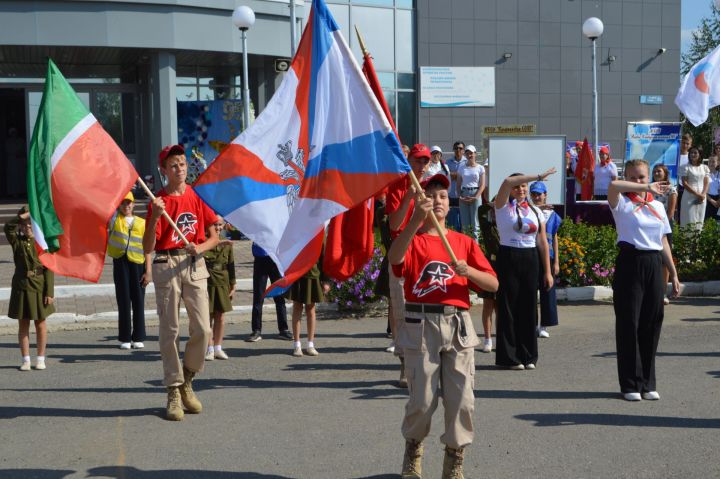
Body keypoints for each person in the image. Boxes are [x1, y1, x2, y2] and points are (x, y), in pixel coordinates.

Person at [388, 173, 498, 479]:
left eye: (442, 196)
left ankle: (454, 459)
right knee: (422, 400)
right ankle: (413, 449)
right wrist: (413, 222)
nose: (437, 200)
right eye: (431, 195)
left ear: (449, 206)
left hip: (458, 324)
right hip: (420, 324)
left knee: (462, 399)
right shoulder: (414, 240)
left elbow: (493, 282)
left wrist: (470, 271)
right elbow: (395, 259)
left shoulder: (463, 243)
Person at [143, 144, 218, 421]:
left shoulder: (197, 197)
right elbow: (147, 246)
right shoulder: (159, 200)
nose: (180, 169)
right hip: (166, 263)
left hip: (193, 263)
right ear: (164, 170)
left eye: (183, 164)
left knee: (202, 328)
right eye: (174, 165)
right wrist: (154, 217)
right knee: (169, 330)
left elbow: (213, 237)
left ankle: (188, 378)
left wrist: (201, 248)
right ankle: (173, 389)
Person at [608, 159, 680, 401]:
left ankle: (648, 382)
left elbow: (662, 241)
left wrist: (674, 273)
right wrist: (645, 188)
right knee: (630, 322)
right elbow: (614, 185)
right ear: (628, 177)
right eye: (635, 177)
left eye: (643, 177)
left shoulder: (658, 207)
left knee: (652, 322)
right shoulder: (622, 203)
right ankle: (630, 383)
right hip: (631, 262)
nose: (639, 181)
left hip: (653, 264)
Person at [494, 169, 555, 370]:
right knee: (508, 307)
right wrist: (537, 176)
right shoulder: (502, 205)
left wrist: (547, 271)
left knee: (529, 307)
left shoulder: (535, 211)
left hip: (530, 258)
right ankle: (509, 357)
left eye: (523, 186)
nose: (521, 189)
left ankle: (528, 355)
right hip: (509, 256)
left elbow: (543, 242)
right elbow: (506, 180)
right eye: (517, 186)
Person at [385, 144, 431, 387]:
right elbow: (394, 224)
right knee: (402, 312)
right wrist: (410, 197)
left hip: (426, 254)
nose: (421, 166)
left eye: (425, 161)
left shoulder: (433, 187)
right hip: (403, 255)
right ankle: (404, 364)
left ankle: (427, 363)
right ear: (409, 161)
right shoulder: (398, 184)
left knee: (427, 312)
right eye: (417, 161)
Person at [5, 206, 55, 371]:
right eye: (24, 224)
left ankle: (40, 358)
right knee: (23, 324)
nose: (27, 227)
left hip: (39, 285)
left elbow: (49, 269)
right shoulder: (17, 242)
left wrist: (49, 292)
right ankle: (26, 359)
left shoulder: (42, 243)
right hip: (21, 286)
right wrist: (23, 216)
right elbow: (8, 227)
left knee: (40, 323)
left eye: (30, 224)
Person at [107, 191, 151, 350]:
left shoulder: (142, 222)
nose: (126, 206)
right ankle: (125, 337)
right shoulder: (114, 220)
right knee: (123, 300)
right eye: (123, 203)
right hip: (121, 263)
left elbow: (147, 248)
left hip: (138, 264)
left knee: (138, 300)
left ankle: (138, 336)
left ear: (133, 204)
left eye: (129, 203)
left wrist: (148, 271)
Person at [529, 182, 561, 338]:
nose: (536, 197)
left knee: (547, 290)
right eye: (533, 194)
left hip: (548, 256)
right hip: (532, 254)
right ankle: (532, 323)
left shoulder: (553, 216)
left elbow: (554, 238)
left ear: (545, 195)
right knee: (530, 291)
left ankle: (544, 325)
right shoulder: (528, 212)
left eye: (539, 194)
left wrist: (556, 262)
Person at [204, 217, 236, 361]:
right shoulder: (204, 241)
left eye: (219, 225)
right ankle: (209, 348)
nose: (217, 228)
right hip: (207, 281)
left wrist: (233, 284)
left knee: (221, 316)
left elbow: (231, 265)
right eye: (214, 225)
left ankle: (218, 347)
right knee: (208, 316)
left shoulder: (227, 243)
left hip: (223, 281)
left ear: (224, 226)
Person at [248, 243, 291, 342]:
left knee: (279, 295)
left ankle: (283, 329)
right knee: (258, 296)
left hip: (276, 257)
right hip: (260, 257)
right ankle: (256, 330)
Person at [286, 260, 329, 357]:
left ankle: (310, 344)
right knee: (297, 307)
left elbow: (324, 257)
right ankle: (297, 345)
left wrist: (326, 280)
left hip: (312, 274)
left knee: (311, 308)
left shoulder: (319, 243)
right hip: (297, 273)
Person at [651, 164, 678, 306]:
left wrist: (662, 226)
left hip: (665, 227)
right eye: (654, 171)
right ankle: (651, 293)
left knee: (664, 261)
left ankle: (662, 293)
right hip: (650, 226)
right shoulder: (649, 189)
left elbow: (671, 212)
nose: (656, 173)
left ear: (665, 174)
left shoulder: (671, 189)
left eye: (659, 171)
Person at [477, 200, 500, 353]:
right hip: (490, 266)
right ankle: (487, 339)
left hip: (505, 267)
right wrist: (491, 205)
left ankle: (500, 338)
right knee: (488, 304)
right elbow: (480, 211)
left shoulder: (509, 225)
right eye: (495, 209)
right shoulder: (487, 225)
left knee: (500, 307)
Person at [457, 145, 485, 238]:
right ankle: (466, 248)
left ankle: (475, 247)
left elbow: (482, 185)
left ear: (475, 154)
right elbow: (458, 184)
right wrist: (460, 196)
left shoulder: (480, 168)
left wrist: (476, 197)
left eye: (471, 153)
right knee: (465, 223)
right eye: (468, 153)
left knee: (475, 223)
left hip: (475, 193)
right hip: (464, 194)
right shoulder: (461, 168)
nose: (469, 155)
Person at [679, 146, 709, 230]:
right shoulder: (685, 167)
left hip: (702, 196)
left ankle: (698, 241)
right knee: (688, 219)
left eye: (695, 152)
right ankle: (687, 241)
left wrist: (703, 195)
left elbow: (706, 183)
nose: (693, 154)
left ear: (700, 154)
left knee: (700, 218)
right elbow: (684, 183)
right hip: (689, 195)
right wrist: (697, 194)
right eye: (691, 153)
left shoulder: (704, 167)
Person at [446, 140, 466, 231]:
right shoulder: (448, 162)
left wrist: (454, 175)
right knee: (451, 222)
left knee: (463, 222)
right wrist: (459, 175)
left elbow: (466, 177)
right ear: (453, 150)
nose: (458, 150)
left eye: (460, 148)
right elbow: (446, 175)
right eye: (456, 148)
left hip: (463, 195)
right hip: (451, 195)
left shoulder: (467, 162)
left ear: (463, 150)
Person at [705, 156, 720, 220]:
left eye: (713, 162)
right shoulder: (705, 174)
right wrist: (712, 201)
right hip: (708, 200)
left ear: (718, 163)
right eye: (709, 162)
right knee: (707, 222)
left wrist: (718, 201)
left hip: (718, 201)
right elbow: (702, 190)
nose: (711, 163)